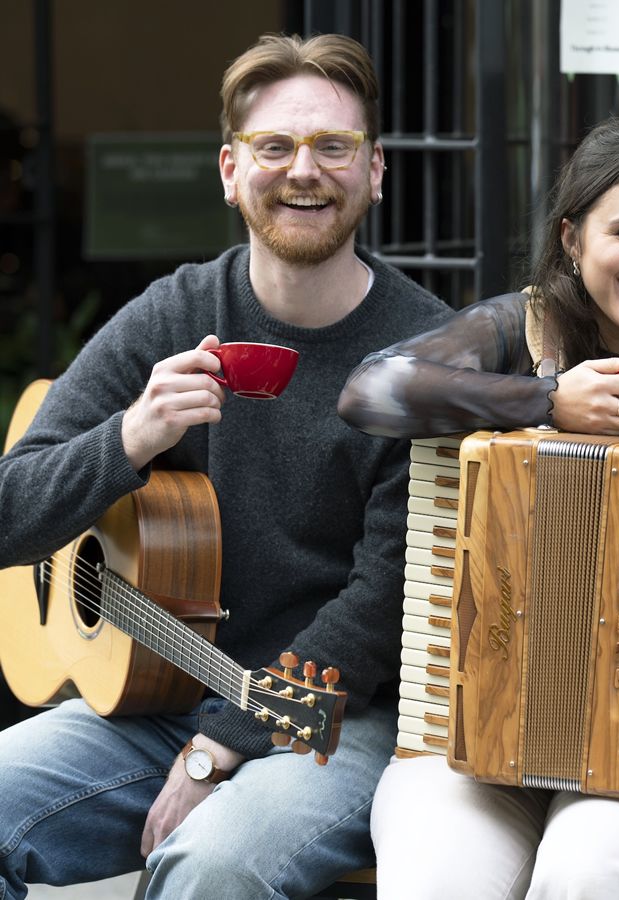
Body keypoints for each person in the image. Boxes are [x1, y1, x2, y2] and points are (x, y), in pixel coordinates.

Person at [0, 33, 451, 899]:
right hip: (156, 702)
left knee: (214, 866)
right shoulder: (174, 312)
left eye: (334, 147)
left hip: (328, 722)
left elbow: (382, 608)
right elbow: (14, 510)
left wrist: (220, 746)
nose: (304, 171)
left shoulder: (428, 357)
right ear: (229, 170)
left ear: (377, 170)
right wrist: (128, 437)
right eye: (274, 146)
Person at [339, 117, 619, 899]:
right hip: (476, 742)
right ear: (573, 238)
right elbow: (368, 392)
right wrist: (547, 399)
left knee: (590, 873)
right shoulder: (513, 337)